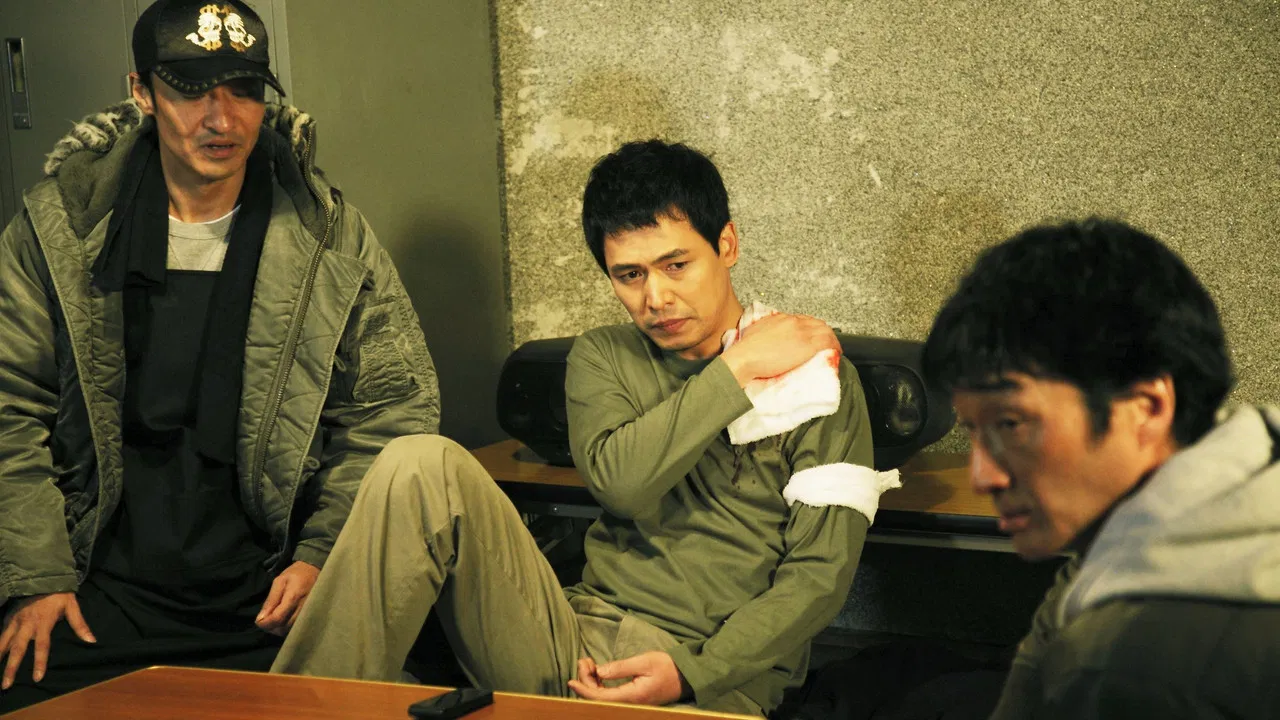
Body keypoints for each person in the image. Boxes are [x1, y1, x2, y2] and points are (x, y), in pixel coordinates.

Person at [271, 139, 898, 716]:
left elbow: (819, 576)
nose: (656, 297)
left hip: (711, 681)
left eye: (676, 264)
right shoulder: (603, 356)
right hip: (572, 642)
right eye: (630, 275)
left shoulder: (817, 378)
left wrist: (692, 673)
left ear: (727, 245)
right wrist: (736, 369)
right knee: (420, 462)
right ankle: (298, 712)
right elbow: (623, 485)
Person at [0, 0, 438, 710]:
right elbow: (9, 407)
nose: (221, 118)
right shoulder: (60, 228)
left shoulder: (328, 233)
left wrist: (322, 555)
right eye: (190, 89)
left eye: (243, 89)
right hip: (97, 582)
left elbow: (389, 412)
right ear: (141, 92)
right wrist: (36, 576)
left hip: (268, 590)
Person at [921, 218, 1280, 719]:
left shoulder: (1128, 666)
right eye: (973, 431)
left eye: (1010, 423)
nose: (983, 477)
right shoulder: (1234, 476)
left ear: (1147, 408)